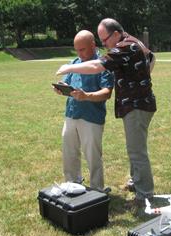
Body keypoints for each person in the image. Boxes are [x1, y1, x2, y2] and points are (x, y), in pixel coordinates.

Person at [56, 19, 156, 207]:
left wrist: (68, 67)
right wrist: (142, 79)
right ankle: (136, 183)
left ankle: (145, 195)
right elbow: (151, 57)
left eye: (105, 39)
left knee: (136, 151)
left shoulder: (125, 46)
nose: (104, 44)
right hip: (135, 104)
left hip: (136, 106)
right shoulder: (133, 42)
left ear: (116, 34)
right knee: (133, 148)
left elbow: (96, 66)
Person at [54, 30, 114, 191]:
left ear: (93, 45)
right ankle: (72, 185)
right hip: (72, 114)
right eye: (77, 50)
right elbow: (67, 82)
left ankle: (97, 190)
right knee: (69, 153)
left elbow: (107, 93)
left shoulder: (103, 63)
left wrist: (86, 96)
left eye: (83, 49)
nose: (79, 54)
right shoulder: (75, 62)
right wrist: (62, 88)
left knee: (93, 156)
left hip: (92, 117)